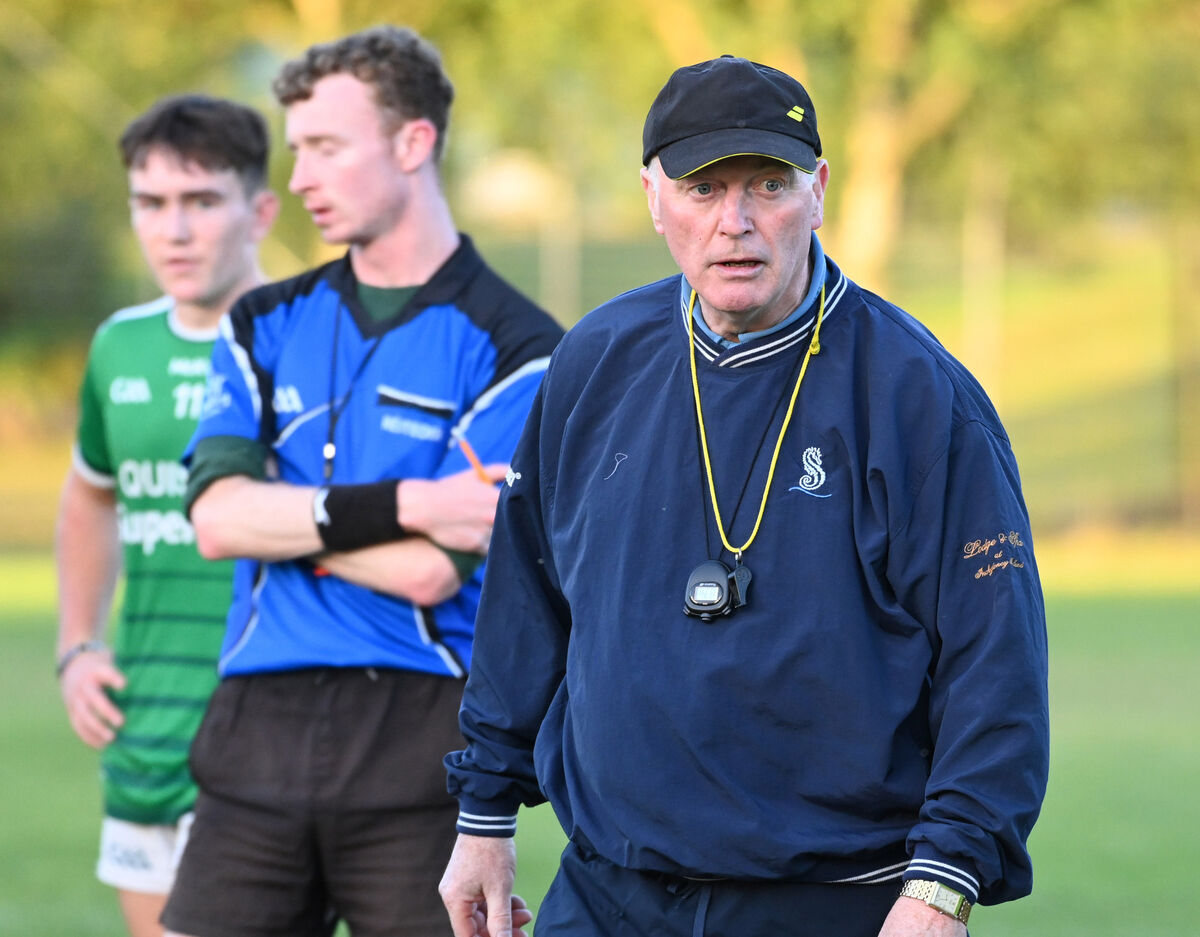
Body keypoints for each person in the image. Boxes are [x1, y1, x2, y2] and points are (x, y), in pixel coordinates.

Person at [440, 55, 1050, 937]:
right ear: (654, 197)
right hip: (609, 892)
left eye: (769, 184)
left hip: (834, 900)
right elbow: (524, 603)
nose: (736, 222)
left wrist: (944, 884)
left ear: (819, 191)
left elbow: (996, 661)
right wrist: (484, 813)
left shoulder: (918, 394)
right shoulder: (594, 361)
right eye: (702, 188)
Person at [160, 24, 563, 937]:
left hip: (422, 739)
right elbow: (216, 520)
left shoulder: (525, 349)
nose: (300, 176)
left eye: (326, 147)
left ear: (413, 142)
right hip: (254, 729)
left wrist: (283, 519)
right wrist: (412, 503)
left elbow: (429, 571)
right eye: (296, 148)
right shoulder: (260, 322)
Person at [54, 94, 279, 937]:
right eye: (150, 203)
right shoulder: (120, 344)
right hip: (147, 724)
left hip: (276, 726)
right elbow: (91, 491)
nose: (174, 230)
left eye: (202, 200)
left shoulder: (306, 339)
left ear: (261, 211)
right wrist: (77, 643)